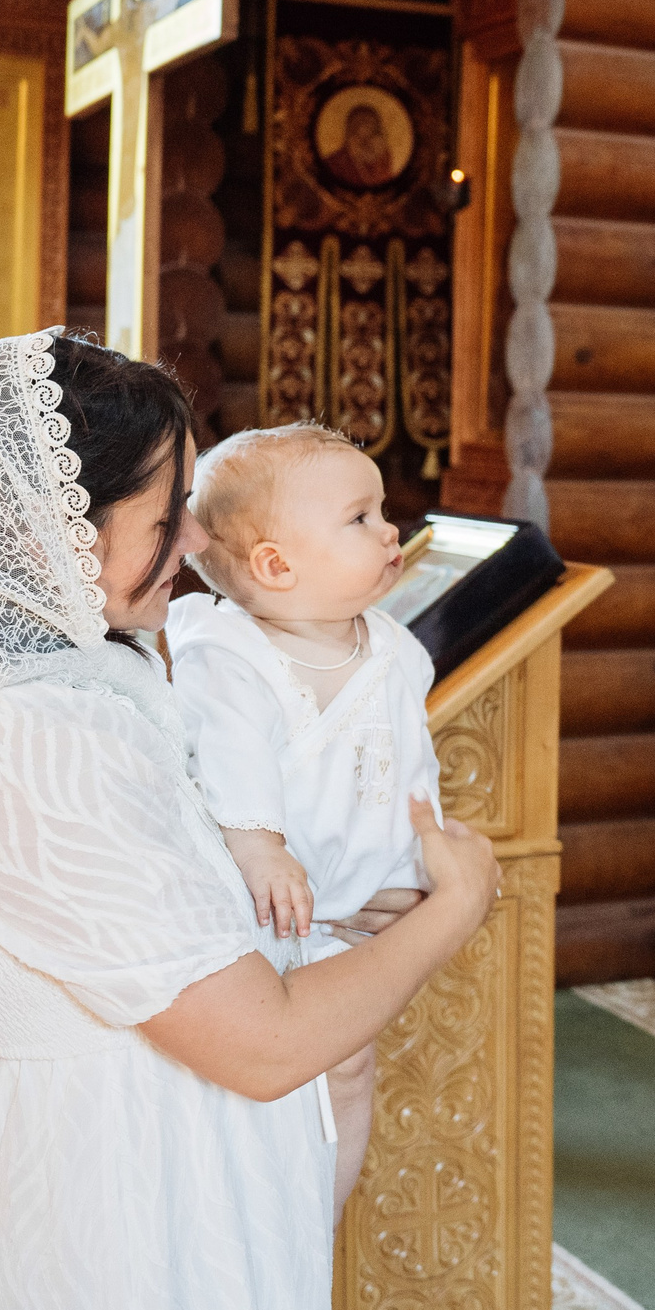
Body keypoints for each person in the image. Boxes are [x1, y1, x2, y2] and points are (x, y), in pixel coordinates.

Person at [0, 331, 499, 1310]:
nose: (194, 537)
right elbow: (264, 1046)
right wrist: (454, 908)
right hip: (133, 1232)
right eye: (163, 512)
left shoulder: (97, 686)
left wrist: (316, 916)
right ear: (55, 529)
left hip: (172, 1188)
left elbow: (166, 911)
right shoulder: (34, 746)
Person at [167, 421, 443, 1216]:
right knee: (286, 1074)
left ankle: (321, 1211)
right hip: (280, 910)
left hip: (365, 913)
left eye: (382, 510)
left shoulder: (395, 649)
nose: (390, 529)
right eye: (359, 518)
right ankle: (270, 1216)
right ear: (275, 565)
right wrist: (260, 845)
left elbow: (411, 762)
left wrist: (427, 859)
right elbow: (231, 754)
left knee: (352, 1063)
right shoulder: (232, 652)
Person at [322, 99, 395, 187]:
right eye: (358, 133)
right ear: (349, 136)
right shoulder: (334, 163)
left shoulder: (384, 159)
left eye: (372, 133)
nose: (367, 142)